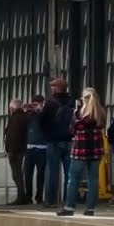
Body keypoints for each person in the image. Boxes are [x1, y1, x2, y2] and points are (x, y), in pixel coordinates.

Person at [58, 87, 106, 217]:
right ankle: (90, 208)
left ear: (84, 99)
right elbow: (102, 127)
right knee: (93, 179)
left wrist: (77, 110)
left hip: (80, 149)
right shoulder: (101, 112)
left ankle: (69, 206)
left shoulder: (79, 113)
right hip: (96, 149)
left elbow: (72, 130)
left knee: (73, 179)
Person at [39, 78, 75, 207]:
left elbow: (42, 121)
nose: (51, 88)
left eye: (53, 86)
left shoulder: (50, 103)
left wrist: (47, 134)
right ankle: (68, 199)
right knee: (69, 173)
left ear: (57, 88)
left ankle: (51, 200)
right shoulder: (71, 102)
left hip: (54, 140)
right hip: (69, 140)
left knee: (52, 171)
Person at [4, 99, 30, 205]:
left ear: (12, 108)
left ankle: (21, 196)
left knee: (16, 174)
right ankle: (22, 196)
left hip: (15, 150)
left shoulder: (15, 118)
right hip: (21, 149)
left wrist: (11, 150)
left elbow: (14, 135)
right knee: (18, 174)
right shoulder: (24, 117)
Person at [24, 95, 48, 205]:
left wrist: (41, 111)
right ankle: (28, 196)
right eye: (34, 104)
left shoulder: (45, 113)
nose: (36, 106)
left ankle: (39, 196)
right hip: (30, 147)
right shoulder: (30, 114)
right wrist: (28, 110)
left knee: (41, 173)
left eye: (38, 103)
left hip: (42, 147)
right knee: (27, 173)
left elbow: (46, 123)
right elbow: (24, 124)